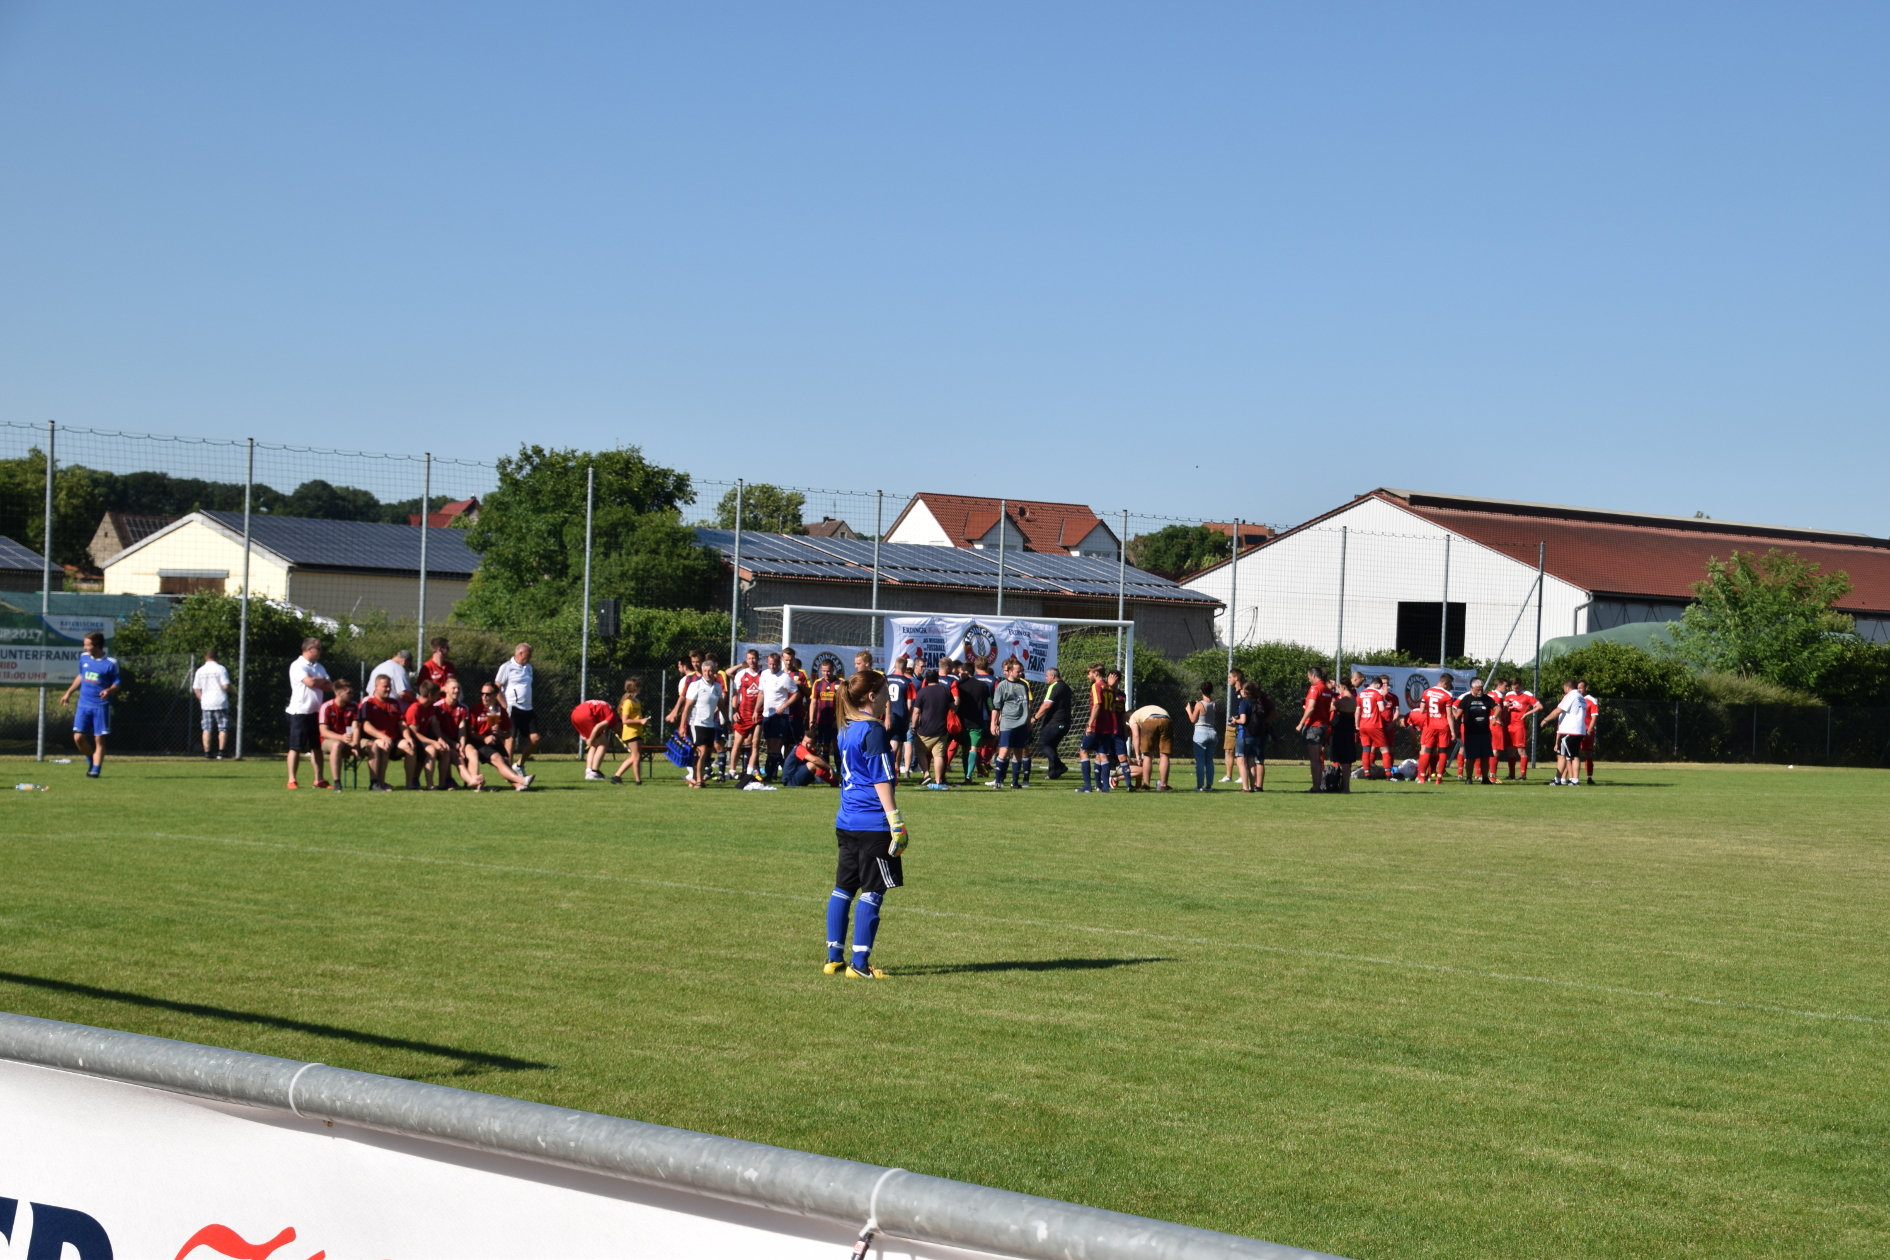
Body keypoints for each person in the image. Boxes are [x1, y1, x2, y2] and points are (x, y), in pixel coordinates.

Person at [823, 669, 908, 979]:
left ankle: (834, 958)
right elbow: (882, 777)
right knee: (873, 890)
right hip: (872, 823)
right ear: (872, 696)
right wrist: (896, 822)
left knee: (843, 888)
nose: (889, 696)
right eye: (886, 691)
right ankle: (859, 966)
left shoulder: (846, 727)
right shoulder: (872, 729)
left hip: (846, 820)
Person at [59, 631, 121, 779]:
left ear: (97, 645)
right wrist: (68, 693)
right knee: (78, 738)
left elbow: (117, 683)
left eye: (87, 644)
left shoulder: (111, 663)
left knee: (99, 739)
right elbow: (81, 675)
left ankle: (96, 769)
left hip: (100, 706)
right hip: (83, 705)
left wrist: (109, 690)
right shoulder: (84, 658)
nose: (84, 647)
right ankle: (92, 759)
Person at [284, 636, 334, 790]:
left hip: (316, 712)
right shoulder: (297, 665)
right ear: (309, 649)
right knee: (296, 747)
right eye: (318, 649)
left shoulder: (319, 666)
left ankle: (319, 780)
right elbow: (310, 682)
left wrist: (316, 679)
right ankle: (292, 779)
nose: (320, 652)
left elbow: (329, 686)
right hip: (300, 712)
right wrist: (320, 680)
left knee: (317, 747)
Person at [466, 684, 534, 791]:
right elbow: (470, 733)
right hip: (478, 743)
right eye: (482, 694)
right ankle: (521, 780)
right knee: (498, 758)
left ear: (495, 695)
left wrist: (500, 733)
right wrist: (484, 738)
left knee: (506, 761)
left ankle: (518, 786)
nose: (484, 696)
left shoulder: (500, 710)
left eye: (487, 694)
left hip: (495, 742)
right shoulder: (475, 710)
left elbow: (508, 733)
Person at [358, 671, 409, 792]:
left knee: (409, 746)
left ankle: (411, 783)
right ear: (376, 687)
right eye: (385, 686)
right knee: (383, 745)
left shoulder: (394, 702)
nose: (388, 689)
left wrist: (408, 737)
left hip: (393, 738)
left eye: (389, 686)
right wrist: (383, 736)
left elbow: (401, 722)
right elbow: (366, 726)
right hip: (373, 738)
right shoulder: (368, 702)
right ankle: (378, 783)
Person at [679, 657, 725, 788]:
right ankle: (699, 780)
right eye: (705, 671)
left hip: (710, 723)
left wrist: (727, 721)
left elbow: (721, 705)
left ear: (714, 672)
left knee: (706, 752)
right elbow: (687, 707)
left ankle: (694, 778)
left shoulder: (716, 687)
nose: (707, 673)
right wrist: (683, 725)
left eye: (710, 671)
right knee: (702, 750)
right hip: (696, 722)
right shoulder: (696, 685)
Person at [990, 657, 1033, 789]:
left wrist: (1029, 721)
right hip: (1008, 724)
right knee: (1004, 751)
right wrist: (993, 723)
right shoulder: (1002, 686)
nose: (1020, 673)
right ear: (1009, 671)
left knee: (1019, 752)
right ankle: (998, 781)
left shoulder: (1024, 684)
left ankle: (1015, 782)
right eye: (1018, 671)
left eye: (1021, 671)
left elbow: (1028, 705)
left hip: (1022, 725)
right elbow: (996, 707)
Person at [1076, 664, 1119, 793]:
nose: (1088, 676)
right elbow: (1113, 708)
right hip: (1108, 726)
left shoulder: (1096, 686)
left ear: (1095, 673)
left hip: (1097, 726)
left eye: (1089, 673)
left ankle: (1088, 786)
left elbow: (1097, 706)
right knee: (1102, 755)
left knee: (1083, 751)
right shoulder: (1109, 688)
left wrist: (1089, 724)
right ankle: (1105, 788)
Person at [757, 650, 798, 783]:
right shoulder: (763, 674)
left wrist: (784, 706)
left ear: (778, 663)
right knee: (770, 747)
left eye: (774, 664)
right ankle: (785, 772)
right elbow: (761, 693)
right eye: (770, 664)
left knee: (775, 746)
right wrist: (755, 710)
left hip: (780, 716)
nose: (772, 666)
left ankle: (770, 775)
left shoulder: (784, 677)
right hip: (767, 715)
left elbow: (796, 693)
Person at [404, 677, 452, 790]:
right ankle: (430, 785)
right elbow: (414, 734)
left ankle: (442, 784)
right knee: (432, 749)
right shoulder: (414, 708)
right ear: (430, 695)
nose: (439, 697)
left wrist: (440, 739)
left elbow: (434, 723)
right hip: (414, 741)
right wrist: (433, 742)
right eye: (437, 695)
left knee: (446, 749)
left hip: (425, 739)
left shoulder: (429, 706)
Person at [911, 666, 955, 789]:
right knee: (939, 755)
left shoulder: (922, 692)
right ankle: (938, 780)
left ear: (926, 679)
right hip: (942, 728)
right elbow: (953, 707)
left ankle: (926, 774)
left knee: (920, 752)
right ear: (938, 678)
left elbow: (916, 712)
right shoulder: (945, 690)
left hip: (925, 728)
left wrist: (914, 726)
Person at [493, 643, 538, 763]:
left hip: (527, 708)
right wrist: (504, 705)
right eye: (529, 654)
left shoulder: (529, 667)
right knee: (510, 739)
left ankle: (518, 765)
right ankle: (509, 772)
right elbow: (496, 687)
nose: (530, 657)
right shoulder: (507, 667)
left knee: (535, 738)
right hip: (512, 707)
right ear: (520, 653)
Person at [1540, 678, 1588, 786]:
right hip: (1579, 730)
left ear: (1567, 687)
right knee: (1574, 755)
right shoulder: (1581, 697)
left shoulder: (1570, 696)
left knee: (1562, 755)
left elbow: (1558, 710)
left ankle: (1558, 779)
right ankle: (1574, 780)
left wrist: (1545, 719)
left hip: (1569, 730)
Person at [317, 676, 362, 789]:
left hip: (349, 740)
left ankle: (376, 783)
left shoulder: (354, 706)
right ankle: (337, 782)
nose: (352, 695)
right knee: (336, 745)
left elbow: (356, 727)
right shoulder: (327, 707)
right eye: (349, 693)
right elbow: (323, 732)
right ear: (339, 693)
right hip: (330, 741)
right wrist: (341, 737)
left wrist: (355, 746)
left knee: (373, 746)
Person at [1453, 677, 1499, 785]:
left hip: (1484, 732)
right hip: (1471, 733)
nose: (1480, 691)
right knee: (1470, 757)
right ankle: (1468, 778)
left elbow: (1498, 708)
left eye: (1481, 689)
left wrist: (1494, 717)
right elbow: (1458, 715)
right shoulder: (1466, 699)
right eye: (1478, 689)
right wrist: (1457, 729)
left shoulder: (1486, 698)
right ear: (1472, 688)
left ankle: (1485, 778)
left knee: (1485, 757)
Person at [953, 659, 992, 784]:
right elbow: (990, 704)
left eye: (960, 672)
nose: (959, 675)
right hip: (977, 721)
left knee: (965, 748)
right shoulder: (983, 685)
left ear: (965, 672)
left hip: (962, 722)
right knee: (974, 748)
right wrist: (994, 718)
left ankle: (966, 775)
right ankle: (969, 776)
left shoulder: (959, 685)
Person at [726, 650, 763, 783]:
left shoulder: (763, 675)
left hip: (758, 714)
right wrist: (734, 711)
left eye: (754, 658)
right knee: (737, 743)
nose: (751, 661)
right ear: (746, 660)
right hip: (743, 713)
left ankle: (749, 770)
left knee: (755, 743)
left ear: (758, 659)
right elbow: (735, 694)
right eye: (749, 658)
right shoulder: (741, 674)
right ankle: (732, 770)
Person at [1296, 666, 1333, 792]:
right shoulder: (1327, 689)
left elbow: (1311, 708)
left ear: (1313, 675)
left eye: (1308, 676)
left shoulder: (1315, 688)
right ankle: (1318, 786)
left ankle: (1316, 787)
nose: (1308, 679)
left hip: (1314, 725)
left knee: (1314, 759)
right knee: (1318, 757)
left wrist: (1301, 723)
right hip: (1323, 724)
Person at [1415, 672, 1456, 784]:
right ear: (1445, 682)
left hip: (1430, 726)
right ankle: (1439, 779)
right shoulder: (1447, 695)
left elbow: (1422, 710)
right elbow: (1449, 715)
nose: (1450, 687)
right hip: (1443, 726)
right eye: (1449, 684)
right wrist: (1452, 731)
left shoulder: (1427, 692)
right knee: (1442, 752)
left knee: (1427, 750)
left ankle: (1422, 777)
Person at [192, 646, 232, 760]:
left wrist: (202, 698)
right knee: (223, 727)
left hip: (206, 703)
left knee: (207, 728)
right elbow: (225, 685)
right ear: (217, 657)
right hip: (220, 701)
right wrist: (231, 691)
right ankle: (221, 752)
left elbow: (196, 688)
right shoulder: (221, 669)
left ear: (206, 657)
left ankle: (207, 753)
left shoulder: (200, 670)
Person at [1033, 666, 1073, 780]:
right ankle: (1052, 773)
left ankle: (1059, 766)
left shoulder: (1054, 686)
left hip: (1055, 722)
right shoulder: (1066, 686)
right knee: (1051, 746)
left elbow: (1046, 705)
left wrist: (1035, 718)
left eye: (1046, 676)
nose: (1046, 678)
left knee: (1043, 744)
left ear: (1053, 676)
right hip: (1065, 722)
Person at [1126, 701, 1174, 791]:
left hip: (1149, 720)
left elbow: (1135, 736)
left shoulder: (1132, 717)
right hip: (1166, 719)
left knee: (1148, 755)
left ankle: (1146, 785)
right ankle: (1163, 785)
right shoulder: (1142, 711)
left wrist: (1137, 756)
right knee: (1164, 754)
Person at [1356, 675, 1396, 777]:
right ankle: (1388, 774)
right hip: (1374, 725)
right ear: (1378, 684)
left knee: (1366, 749)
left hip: (1363, 725)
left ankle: (1367, 773)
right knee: (1384, 749)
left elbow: (1357, 712)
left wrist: (1357, 725)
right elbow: (1382, 709)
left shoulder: (1360, 694)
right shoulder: (1377, 693)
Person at [1502, 679, 1542, 780]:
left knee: (1521, 751)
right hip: (1509, 725)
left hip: (1519, 726)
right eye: (1513, 688)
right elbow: (1503, 709)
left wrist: (1527, 713)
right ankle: (1511, 775)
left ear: (1521, 686)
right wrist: (1505, 707)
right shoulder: (1509, 695)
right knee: (1510, 750)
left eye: (1517, 688)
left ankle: (1523, 775)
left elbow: (1539, 706)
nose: (1515, 690)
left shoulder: (1527, 695)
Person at [572, 695, 618, 780]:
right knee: (603, 744)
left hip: (575, 713)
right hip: (586, 714)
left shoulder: (606, 709)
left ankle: (589, 771)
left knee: (595, 743)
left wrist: (589, 738)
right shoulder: (613, 717)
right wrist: (591, 739)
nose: (618, 731)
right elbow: (598, 726)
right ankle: (594, 771)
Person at [1237, 681, 1273, 791]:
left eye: (1242, 689)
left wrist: (1235, 720)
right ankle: (1253, 786)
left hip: (1244, 735)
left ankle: (1245, 787)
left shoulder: (1244, 703)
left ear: (1246, 691)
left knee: (1241, 761)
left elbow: (1243, 720)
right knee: (1252, 762)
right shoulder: (1258, 703)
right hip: (1256, 736)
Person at [884, 655, 915, 778]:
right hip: (899, 716)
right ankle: (892, 770)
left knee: (884, 743)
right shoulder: (908, 683)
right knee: (895, 745)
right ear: (905, 667)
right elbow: (909, 704)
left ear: (895, 666)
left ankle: (887, 769)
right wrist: (908, 719)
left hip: (885, 715)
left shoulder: (886, 679)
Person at [612, 678, 647, 785]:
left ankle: (616, 776)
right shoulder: (628, 702)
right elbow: (625, 720)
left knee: (634, 756)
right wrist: (640, 721)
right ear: (635, 688)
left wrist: (642, 721)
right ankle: (638, 780)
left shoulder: (637, 701)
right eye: (639, 686)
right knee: (636, 756)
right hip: (631, 732)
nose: (640, 688)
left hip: (637, 731)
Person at [1327, 681, 1358, 792]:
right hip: (1348, 731)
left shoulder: (1342, 701)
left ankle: (1339, 785)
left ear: (1343, 687)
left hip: (1340, 731)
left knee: (1340, 760)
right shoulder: (1354, 699)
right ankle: (1346, 787)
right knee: (1346, 762)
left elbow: (1327, 709)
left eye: (1339, 687)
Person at [1187, 682, 1218, 791]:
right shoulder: (1214, 704)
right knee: (1209, 761)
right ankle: (1209, 786)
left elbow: (1193, 719)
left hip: (1201, 732)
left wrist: (1188, 710)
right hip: (1212, 732)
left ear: (1201, 691)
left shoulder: (1200, 705)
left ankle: (1199, 785)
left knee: (1200, 761)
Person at [810, 659, 842, 758]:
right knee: (825, 745)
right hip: (822, 720)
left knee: (837, 744)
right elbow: (813, 702)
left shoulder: (841, 683)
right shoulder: (817, 683)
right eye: (823, 671)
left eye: (828, 671)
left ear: (833, 670)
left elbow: (844, 704)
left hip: (836, 721)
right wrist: (811, 721)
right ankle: (827, 771)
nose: (826, 673)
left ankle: (839, 770)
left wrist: (838, 719)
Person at [1222, 669, 1245, 784]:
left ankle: (1242, 776)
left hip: (1241, 726)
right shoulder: (1232, 693)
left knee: (1241, 752)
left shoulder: (1243, 692)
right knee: (1229, 750)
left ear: (1236, 678)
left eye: (1230, 677)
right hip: (1231, 725)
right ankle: (1228, 776)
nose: (1229, 679)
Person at [1578, 680, 1601, 785]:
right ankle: (1574, 778)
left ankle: (1589, 777)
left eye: (1581, 688)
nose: (1579, 690)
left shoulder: (1591, 700)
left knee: (1587, 753)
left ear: (1586, 688)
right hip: (1575, 730)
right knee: (1573, 754)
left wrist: (1589, 730)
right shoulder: (1574, 698)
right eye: (1577, 688)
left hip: (1587, 730)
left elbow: (1594, 717)